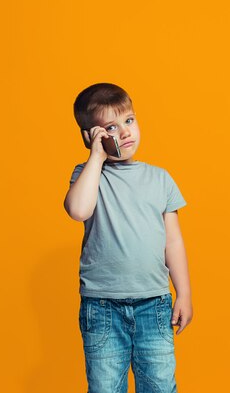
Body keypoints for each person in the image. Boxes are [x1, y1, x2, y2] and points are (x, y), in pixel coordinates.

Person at [63, 82, 193, 392]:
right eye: (111, 126)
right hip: (102, 306)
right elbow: (78, 210)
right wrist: (96, 156)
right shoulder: (88, 175)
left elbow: (173, 241)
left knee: (160, 385)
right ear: (90, 136)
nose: (124, 132)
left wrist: (184, 293)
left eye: (129, 120)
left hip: (154, 303)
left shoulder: (160, 178)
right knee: (106, 387)